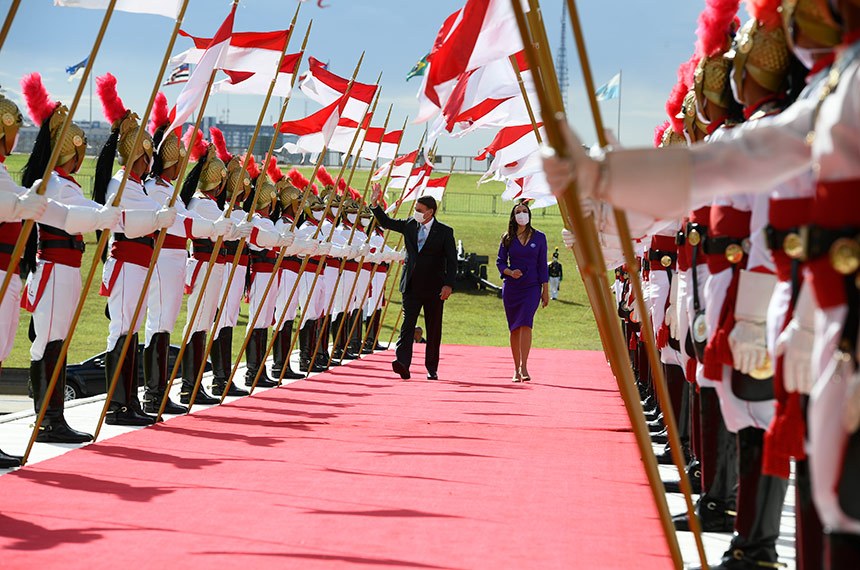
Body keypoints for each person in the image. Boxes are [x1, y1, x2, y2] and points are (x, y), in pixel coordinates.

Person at [370, 184, 457, 380]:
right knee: (407, 325)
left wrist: (449, 284)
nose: (416, 213)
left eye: (419, 210)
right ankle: (402, 363)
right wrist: (375, 203)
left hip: (435, 287)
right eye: (415, 210)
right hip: (411, 285)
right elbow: (386, 222)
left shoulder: (444, 232)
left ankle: (431, 367)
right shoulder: (410, 225)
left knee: (434, 328)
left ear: (430, 212)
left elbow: (452, 261)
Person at [496, 201, 549, 382]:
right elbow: (500, 262)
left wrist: (545, 291)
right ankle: (515, 368)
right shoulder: (507, 238)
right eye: (518, 212)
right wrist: (510, 272)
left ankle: (524, 366)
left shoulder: (539, 237)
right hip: (512, 288)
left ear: (529, 214)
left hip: (532, 287)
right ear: (513, 216)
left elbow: (543, 265)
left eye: (524, 211)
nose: (521, 214)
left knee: (526, 322)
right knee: (515, 328)